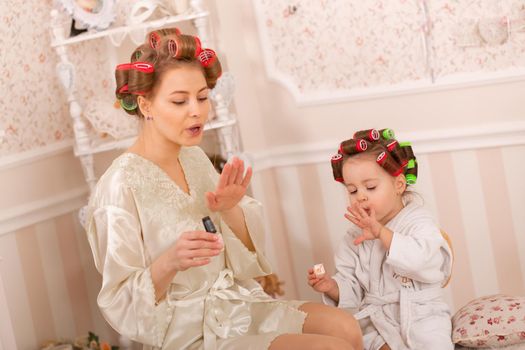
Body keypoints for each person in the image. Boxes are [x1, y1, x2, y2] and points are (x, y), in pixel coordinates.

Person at [85, 28, 363, 350]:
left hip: (236, 305)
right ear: (145, 105)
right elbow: (120, 300)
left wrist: (229, 207)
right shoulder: (118, 186)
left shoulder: (194, 157)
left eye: (203, 97)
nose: (197, 111)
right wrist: (169, 261)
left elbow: (242, 259)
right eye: (179, 101)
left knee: (345, 327)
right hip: (186, 330)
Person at [307, 129, 453, 350]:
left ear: (399, 185)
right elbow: (352, 287)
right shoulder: (354, 237)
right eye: (353, 190)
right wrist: (332, 287)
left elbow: (425, 263)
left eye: (371, 187)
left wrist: (381, 233)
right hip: (377, 321)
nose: (361, 196)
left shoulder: (418, 222)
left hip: (422, 316)